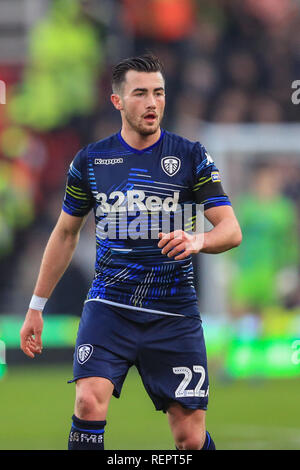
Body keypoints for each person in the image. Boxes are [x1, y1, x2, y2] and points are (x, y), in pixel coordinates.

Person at [20, 54, 242, 451]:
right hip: (109, 307)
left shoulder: (190, 156)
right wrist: (37, 305)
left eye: (158, 92)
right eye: (140, 93)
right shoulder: (91, 161)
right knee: (88, 402)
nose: (152, 102)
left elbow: (230, 229)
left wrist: (199, 240)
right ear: (117, 101)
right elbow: (66, 233)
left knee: (189, 438)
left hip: (173, 313)